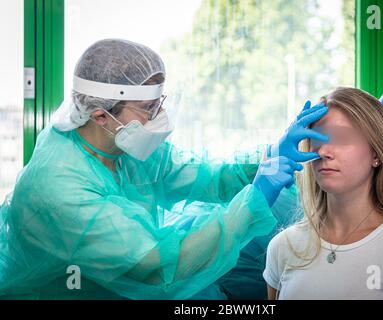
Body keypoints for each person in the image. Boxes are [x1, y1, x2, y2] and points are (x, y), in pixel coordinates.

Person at [0, 39, 328, 299]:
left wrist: (267, 157)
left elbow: (207, 177)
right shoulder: (59, 188)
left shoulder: (124, 144)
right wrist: (255, 199)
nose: (159, 117)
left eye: (160, 102)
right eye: (148, 108)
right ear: (100, 115)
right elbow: (156, 265)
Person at [263, 87, 383, 300]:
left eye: (341, 138)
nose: (323, 151)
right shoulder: (283, 246)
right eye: (318, 140)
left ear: (376, 154)